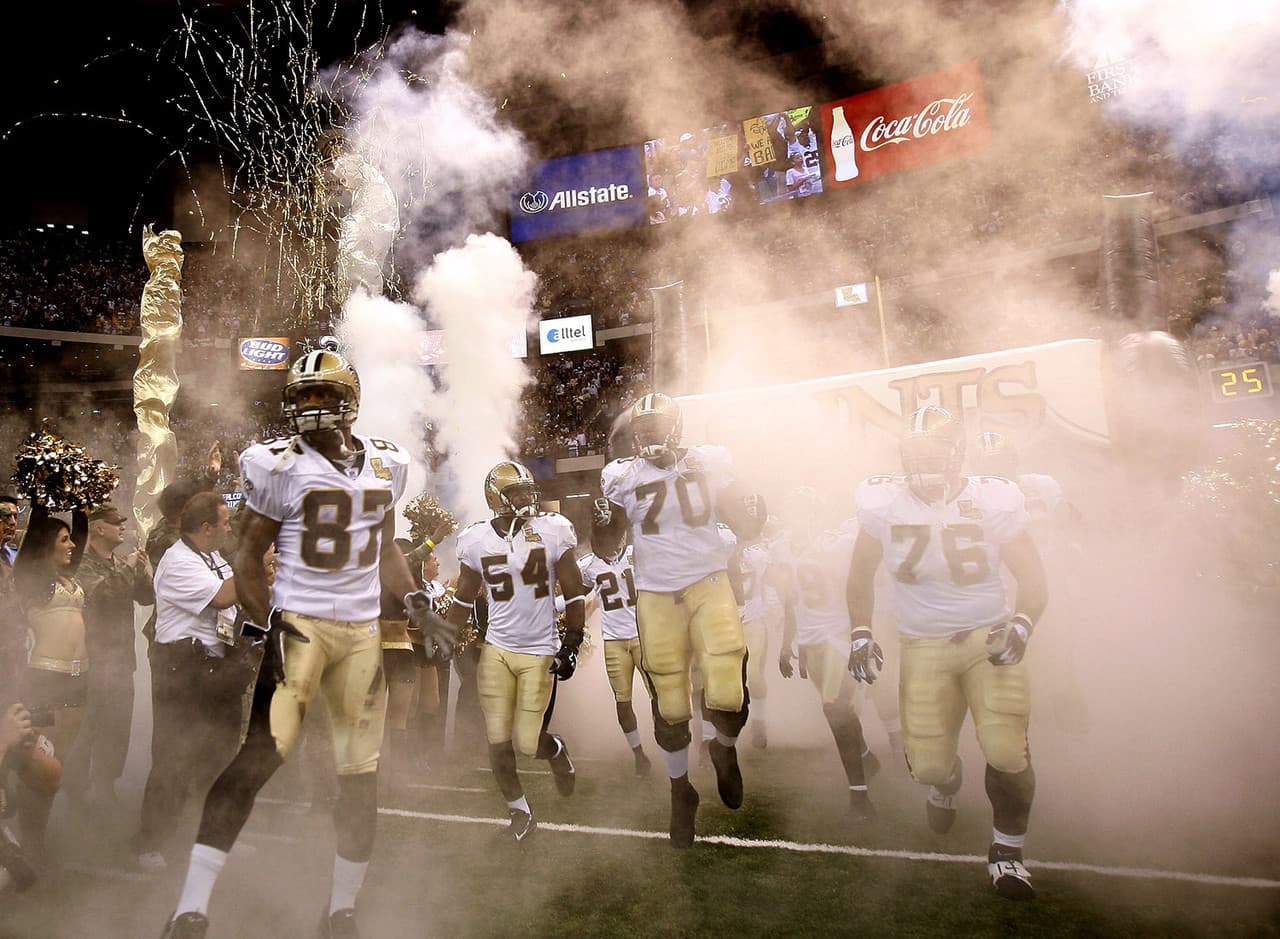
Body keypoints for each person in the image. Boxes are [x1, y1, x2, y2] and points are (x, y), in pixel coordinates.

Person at [159, 349, 456, 939]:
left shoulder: (386, 465)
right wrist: (262, 618)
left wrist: (418, 601)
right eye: (301, 396)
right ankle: (190, 907)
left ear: (349, 400)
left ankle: (341, 908)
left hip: (363, 636)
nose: (309, 406)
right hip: (302, 627)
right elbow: (247, 553)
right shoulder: (277, 464)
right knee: (258, 758)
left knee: (359, 777)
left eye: (321, 394)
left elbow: (387, 548)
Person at [846, 406, 1048, 900]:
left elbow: (1034, 577)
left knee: (1005, 748)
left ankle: (1007, 853)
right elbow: (858, 576)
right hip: (923, 643)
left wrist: (1022, 623)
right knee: (930, 767)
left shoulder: (991, 499)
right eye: (916, 453)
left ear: (957, 454)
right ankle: (947, 780)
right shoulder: (884, 503)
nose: (925, 464)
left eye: (935, 452)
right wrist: (860, 632)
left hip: (987, 636)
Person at [596, 392, 765, 848]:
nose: (648, 438)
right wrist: (602, 524)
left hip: (708, 582)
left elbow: (745, 524)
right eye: (642, 431)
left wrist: (752, 511)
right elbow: (607, 548)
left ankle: (724, 750)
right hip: (655, 593)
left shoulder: (708, 464)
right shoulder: (622, 477)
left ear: (676, 428)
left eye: (655, 429)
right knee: (670, 700)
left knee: (727, 687)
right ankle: (680, 791)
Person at [444, 461, 584, 842]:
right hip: (498, 650)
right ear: (497, 498)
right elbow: (463, 597)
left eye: (527, 490)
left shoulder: (553, 531)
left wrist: (572, 641)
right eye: (517, 492)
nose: (526, 498)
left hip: (539, 649)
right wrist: (445, 635)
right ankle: (520, 813)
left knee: (528, 742)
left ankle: (554, 750)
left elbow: (573, 592)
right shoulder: (476, 540)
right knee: (497, 740)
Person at [133, 493, 257, 872]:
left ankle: (212, 840)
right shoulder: (178, 560)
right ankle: (148, 843)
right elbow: (223, 598)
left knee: (219, 760)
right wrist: (257, 568)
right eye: (223, 522)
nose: (227, 527)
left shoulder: (212, 558)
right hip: (181, 671)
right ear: (205, 528)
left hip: (215, 670)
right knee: (174, 757)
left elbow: (235, 608)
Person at [774, 489, 876, 825]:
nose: (798, 517)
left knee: (834, 708)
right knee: (839, 711)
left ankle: (860, 797)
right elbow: (791, 602)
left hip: (837, 637)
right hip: (812, 641)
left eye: (804, 509)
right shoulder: (785, 548)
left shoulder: (837, 543)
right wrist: (789, 643)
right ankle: (864, 756)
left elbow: (861, 584)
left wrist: (863, 633)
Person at [64, 504, 154, 808]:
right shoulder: (82, 564)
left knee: (118, 727)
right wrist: (129, 567)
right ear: (99, 528)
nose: (122, 528)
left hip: (121, 659)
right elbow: (101, 596)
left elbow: (145, 597)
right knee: (88, 727)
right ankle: (75, 789)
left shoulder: (120, 562)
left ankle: (105, 785)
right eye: (116, 524)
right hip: (93, 659)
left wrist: (143, 570)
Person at [11, 505, 88, 858]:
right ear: (46, 544)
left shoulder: (68, 577)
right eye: (63, 539)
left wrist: (80, 508)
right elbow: (30, 549)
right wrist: (44, 497)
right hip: (45, 679)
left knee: (62, 760)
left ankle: (38, 835)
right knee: (40, 760)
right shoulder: (35, 579)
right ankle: (29, 840)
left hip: (77, 678)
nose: (71, 544)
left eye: (71, 538)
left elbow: (81, 543)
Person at [578, 498, 651, 777]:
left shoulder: (638, 553)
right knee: (623, 701)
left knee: (659, 695)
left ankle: (666, 740)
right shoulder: (588, 565)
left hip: (644, 635)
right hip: (614, 640)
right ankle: (639, 754)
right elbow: (573, 595)